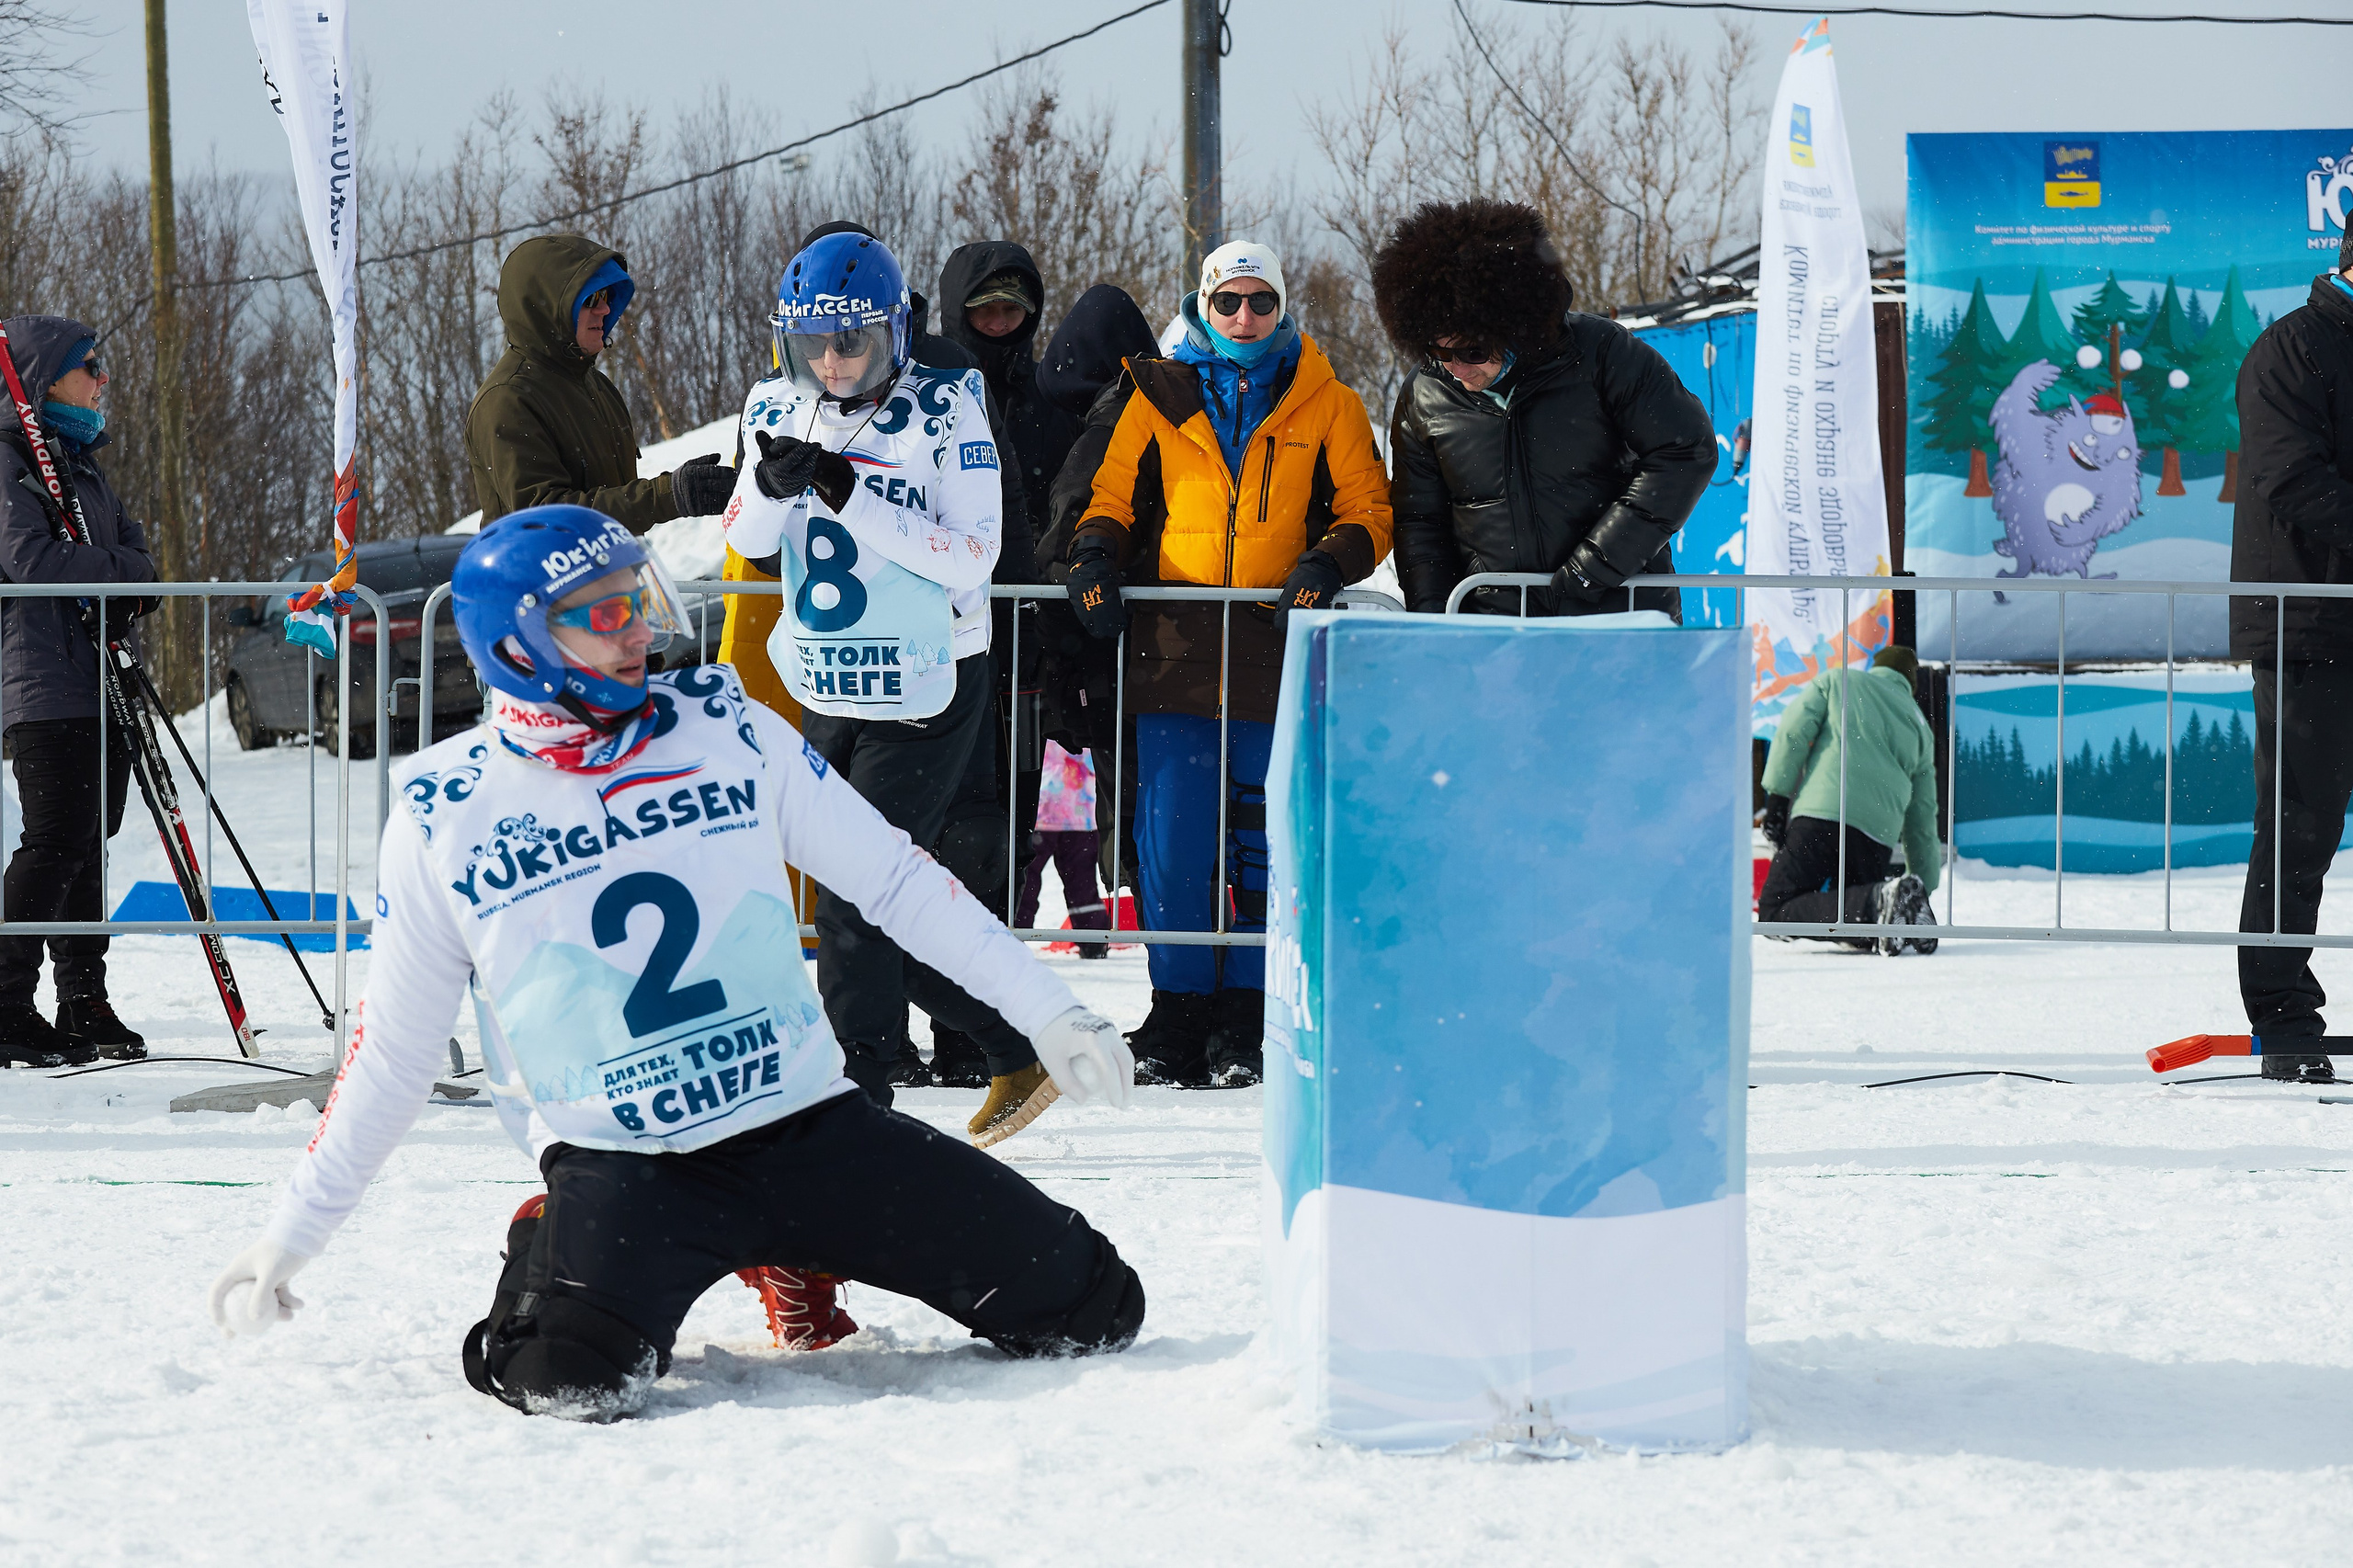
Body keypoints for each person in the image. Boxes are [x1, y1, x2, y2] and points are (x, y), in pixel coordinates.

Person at [206, 505, 1142, 1417]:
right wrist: (294, 1231)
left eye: (639, 601)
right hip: (631, 1163)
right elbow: (396, 1051)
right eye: (605, 613)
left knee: (1094, 1310)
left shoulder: (727, 728)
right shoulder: (444, 812)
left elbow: (894, 879)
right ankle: (551, 1231)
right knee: (563, 1378)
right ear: (520, 643)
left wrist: (1047, 1011)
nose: (640, 634)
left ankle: (795, 1245)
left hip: (810, 1125)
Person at [721, 230, 1055, 1146]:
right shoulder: (777, 401)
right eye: (814, 343)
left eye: (853, 340)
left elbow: (972, 553)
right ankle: (1012, 1041)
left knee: (857, 893)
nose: (833, 361)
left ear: (892, 333)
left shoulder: (947, 405)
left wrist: (849, 495)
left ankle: (855, 1104)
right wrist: (771, 483)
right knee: (851, 890)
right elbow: (749, 540)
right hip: (828, 674)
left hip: (926, 680)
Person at [1065, 243, 1392, 1088]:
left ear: (1283, 308)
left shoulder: (1331, 403)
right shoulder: (1157, 395)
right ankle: (1178, 1009)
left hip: (1272, 642)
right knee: (1172, 836)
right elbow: (1109, 499)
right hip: (1176, 644)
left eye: (1261, 303)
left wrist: (1326, 563)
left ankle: (1249, 1011)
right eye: (1228, 304)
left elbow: (1367, 510)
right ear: (1202, 306)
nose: (1244, 318)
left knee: (1259, 835)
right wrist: (1094, 557)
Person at [1373, 199, 1715, 619]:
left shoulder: (1603, 355)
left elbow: (1685, 452)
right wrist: (1437, 620)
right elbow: (1421, 521)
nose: (1456, 367)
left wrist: (1595, 568)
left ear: (1515, 327)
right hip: (1495, 631)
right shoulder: (1424, 394)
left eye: (1473, 350)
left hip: (1620, 617)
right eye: (1437, 351)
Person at [0, 316, 156, 1066]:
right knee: (56, 841)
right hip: (45, 682)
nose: (103, 377)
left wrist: (113, 578)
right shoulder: (11, 463)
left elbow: (140, 558)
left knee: (89, 846)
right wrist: (108, 573)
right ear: (42, 380)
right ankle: (4, 1001)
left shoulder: (82, 465)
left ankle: (82, 998)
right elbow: (31, 562)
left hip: (104, 682)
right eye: (88, 365)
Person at [2229, 233, 2353, 1085]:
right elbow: (2287, 477)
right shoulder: (2292, 346)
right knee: (2300, 824)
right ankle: (2283, 1016)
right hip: (2310, 625)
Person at [464, 234, 737, 532]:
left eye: (607, 296)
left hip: (607, 572)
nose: (605, 310)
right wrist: (668, 496)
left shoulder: (597, 387)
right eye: (591, 300)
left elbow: (610, 500)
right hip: (540, 578)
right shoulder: (507, 400)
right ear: (548, 310)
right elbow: (545, 521)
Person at [1756, 646, 1940, 956]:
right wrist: (1923, 882)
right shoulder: (1919, 727)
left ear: (1876, 667)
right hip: (1875, 837)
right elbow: (1922, 815)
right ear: (1911, 683)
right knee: (1863, 921)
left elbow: (1793, 732)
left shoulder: (1839, 681)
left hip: (1824, 814)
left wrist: (1776, 797)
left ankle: (1881, 900)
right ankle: (1897, 911)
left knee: (1775, 909)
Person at [1017, 740, 1110, 955]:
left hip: (1045, 813)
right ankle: (1094, 941)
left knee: (1027, 878)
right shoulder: (1085, 715)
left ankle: (1014, 934)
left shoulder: (1038, 717)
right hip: (1077, 813)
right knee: (1081, 883)